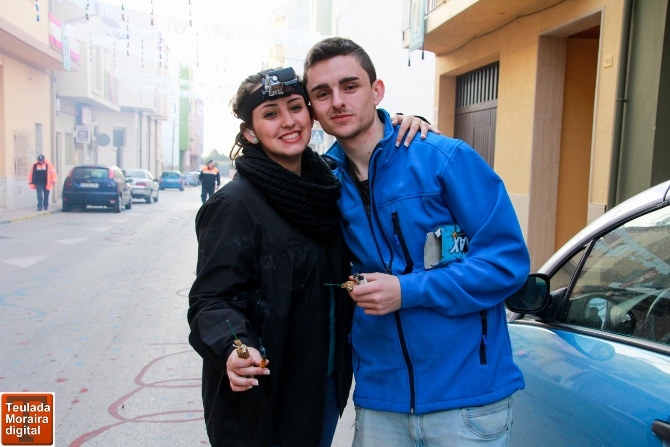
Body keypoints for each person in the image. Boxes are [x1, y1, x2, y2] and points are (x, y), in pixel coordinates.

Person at [187, 66, 435, 447]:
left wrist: (405, 125)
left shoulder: (328, 187)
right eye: (271, 114)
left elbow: (373, 151)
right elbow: (211, 300)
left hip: (322, 389)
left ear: (311, 115)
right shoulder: (234, 205)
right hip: (263, 397)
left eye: (295, 107)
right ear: (250, 132)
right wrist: (233, 348)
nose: (288, 122)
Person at [303, 37, 531, 447]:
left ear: (377, 91)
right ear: (313, 110)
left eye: (350, 86)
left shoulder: (444, 159)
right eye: (322, 93)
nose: (337, 101)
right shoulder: (323, 185)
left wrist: (407, 291)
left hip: (467, 400)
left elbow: (506, 262)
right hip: (381, 403)